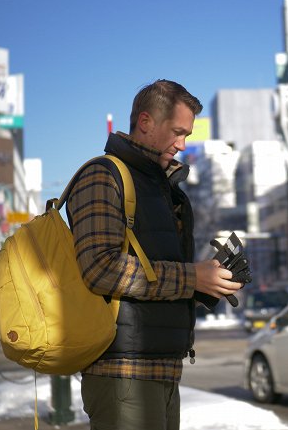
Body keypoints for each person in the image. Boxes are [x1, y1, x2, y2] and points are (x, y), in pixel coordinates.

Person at [66, 79, 242, 430]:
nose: (182, 143)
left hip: (160, 367)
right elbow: (101, 268)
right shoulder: (104, 176)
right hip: (122, 373)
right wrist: (191, 276)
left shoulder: (163, 189)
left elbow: (154, 276)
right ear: (146, 122)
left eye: (187, 134)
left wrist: (206, 285)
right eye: (178, 132)